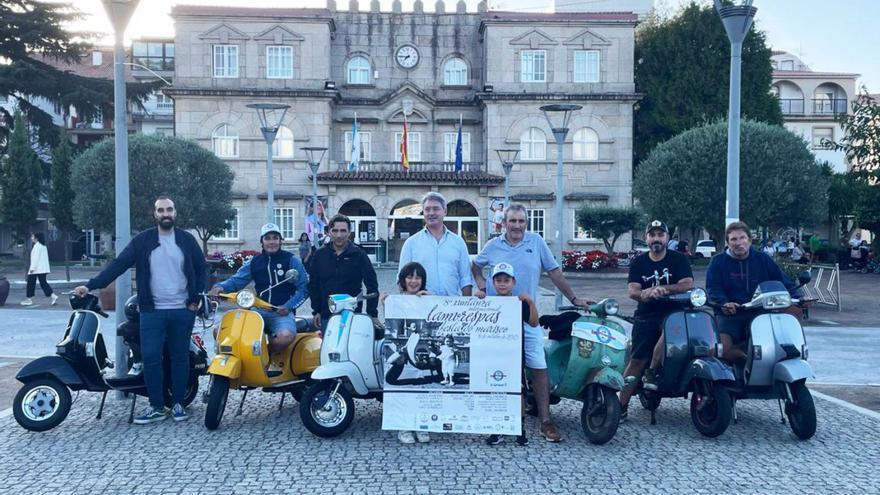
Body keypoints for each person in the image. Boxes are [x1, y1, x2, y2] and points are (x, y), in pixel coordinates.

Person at [74, 197, 207, 424]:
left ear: (175, 213)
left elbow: (201, 269)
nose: (166, 213)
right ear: (154, 214)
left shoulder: (186, 240)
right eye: (161, 210)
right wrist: (91, 285)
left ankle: (177, 404)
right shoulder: (143, 241)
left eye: (169, 209)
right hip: (151, 310)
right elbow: (119, 265)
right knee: (151, 357)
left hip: (181, 311)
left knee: (179, 358)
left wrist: (194, 301)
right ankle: (156, 406)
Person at [471, 203, 594, 443]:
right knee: (495, 366)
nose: (517, 226)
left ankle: (546, 420)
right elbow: (475, 265)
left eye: (521, 221)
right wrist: (482, 285)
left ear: (526, 223)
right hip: (497, 320)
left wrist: (574, 298)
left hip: (528, 316)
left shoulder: (536, 243)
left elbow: (555, 273)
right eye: (512, 221)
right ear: (503, 223)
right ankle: (495, 418)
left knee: (538, 365)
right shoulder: (493, 245)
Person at [617, 221, 693, 421]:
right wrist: (647, 293)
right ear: (647, 238)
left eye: (661, 235)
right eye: (652, 235)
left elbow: (687, 283)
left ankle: (652, 371)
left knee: (675, 330)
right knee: (636, 360)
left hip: (675, 312)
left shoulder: (679, 259)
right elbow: (633, 290)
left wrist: (665, 289)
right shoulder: (639, 262)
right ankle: (619, 405)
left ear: (668, 238)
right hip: (647, 314)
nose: (656, 239)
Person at [706, 221, 799, 365]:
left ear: (749, 240)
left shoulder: (762, 259)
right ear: (728, 243)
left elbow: (782, 281)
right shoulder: (718, 262)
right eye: (733, 239)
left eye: (742, 238)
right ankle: (745, 366)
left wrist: (799, 296)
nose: (738, 243)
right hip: (729, 315)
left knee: (776, 346)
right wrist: (724, 303)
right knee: (722, 350)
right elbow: (713, 288)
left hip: (759, 313)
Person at [209, 223, 308, 357]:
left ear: (280, 240)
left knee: (285, 336)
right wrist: (219, 287)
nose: (271, 242)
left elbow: (304, 289)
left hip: (281, 313)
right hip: (257, 310)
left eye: (275, 238)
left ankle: (267, 356)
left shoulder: (291, 260)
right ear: (262, 241)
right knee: (220, 331)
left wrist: (288, 306)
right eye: (267, 238)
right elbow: (237, 280)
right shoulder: (254, 262)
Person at [483, 262, 537, 447]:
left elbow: (534, 323)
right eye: (499, 280)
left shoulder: (519, 303)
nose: (503, 284)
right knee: (494, 391)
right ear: (493, 282)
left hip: (514, 355)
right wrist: (477, 299)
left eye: (506, 280)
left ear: (513, 282)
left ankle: (519, 428)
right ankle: (496, 429)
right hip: (493, 355)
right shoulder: (488, 303)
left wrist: (530, 302)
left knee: (518, 392)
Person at [380, 261, 433, 444]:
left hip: (418, 355)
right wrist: (385, 303)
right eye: (410, 277)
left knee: (421, 391)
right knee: (403, 391)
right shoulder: (397, 300)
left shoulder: (428, 298)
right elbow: (390, 324)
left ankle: (421, 425)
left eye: (418, 277)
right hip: (403, 357)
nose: (413, 281)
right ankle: (404, 426)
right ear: (403, 280)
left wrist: (433, 299)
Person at [308, 214, 380, 333]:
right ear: (329, 232)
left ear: (349, 232)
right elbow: (313, 285)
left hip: (352, 314)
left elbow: (372, 284)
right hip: (327, 314)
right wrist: (316, 311)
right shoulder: (320, 255)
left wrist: (372, 313)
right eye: (335, 231)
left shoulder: (359, 254)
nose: (339, 235)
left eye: (343, 231)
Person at [398, 192, 473, 297]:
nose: (431, 213)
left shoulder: (458, 243)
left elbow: (466, 279)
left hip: (451, 307)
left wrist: (467, 306)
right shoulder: (411, 243)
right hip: (422, 306)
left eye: (436, 209)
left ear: (445, 211)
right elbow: (401, 280)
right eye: (427, 209)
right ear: (423, 213)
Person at [21, 232, 58, 306]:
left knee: (30, 283)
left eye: (32, 236)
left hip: (36, 269)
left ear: (36, 238)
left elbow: (35, 259)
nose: (31, 238)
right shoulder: (43, 246)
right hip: (42, 269)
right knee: (43, 283)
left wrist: (32, 268)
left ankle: (29, 299)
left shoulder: (37, 247)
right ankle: (53, 296)